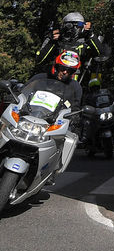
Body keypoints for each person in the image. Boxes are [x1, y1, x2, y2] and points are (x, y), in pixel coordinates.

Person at [19, 51, 84, 179]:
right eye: (63, 68)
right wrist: (16, 97)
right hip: (28, 116)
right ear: (56, 66)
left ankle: (52, 169)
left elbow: (76, 106)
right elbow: (23, 92)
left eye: (69, 70)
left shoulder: (75, 87)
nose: (65, 72)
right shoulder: (39, 78)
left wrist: (75, 117)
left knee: (66, 138)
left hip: (52, 122)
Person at [35, 12, 103, 75]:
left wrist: (91, 36)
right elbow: (39, 60)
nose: (75, 29)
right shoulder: (54, 39)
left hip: (73, 80)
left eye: (79, 26)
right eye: (71, 25)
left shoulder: (84, 41)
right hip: (52, 78)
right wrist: (52, 42)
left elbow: (100, 54)